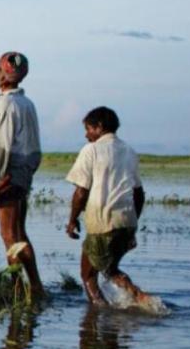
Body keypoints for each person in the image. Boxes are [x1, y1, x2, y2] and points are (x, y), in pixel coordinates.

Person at [65, 106, 152, 306]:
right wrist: (132, 226)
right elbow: (138, 194)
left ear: (99, 127)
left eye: (88, 129)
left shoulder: (91, 150)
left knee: (88, 275)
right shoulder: (129, 151)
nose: (87, 135)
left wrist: (71, 221)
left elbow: (81, 192)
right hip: (126, 222)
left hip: (102, 223)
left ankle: (100, 313)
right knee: (110, 270)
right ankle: (139, 300)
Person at [0, 51, 44, 298]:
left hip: (9, 174)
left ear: (4, 74)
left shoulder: (6, 104)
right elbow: (35, 150)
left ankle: (18, 286)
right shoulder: (27, 103)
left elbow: (2, 148)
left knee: (9, 234)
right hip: (23, 173)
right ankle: (34, 286)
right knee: (19, 232)